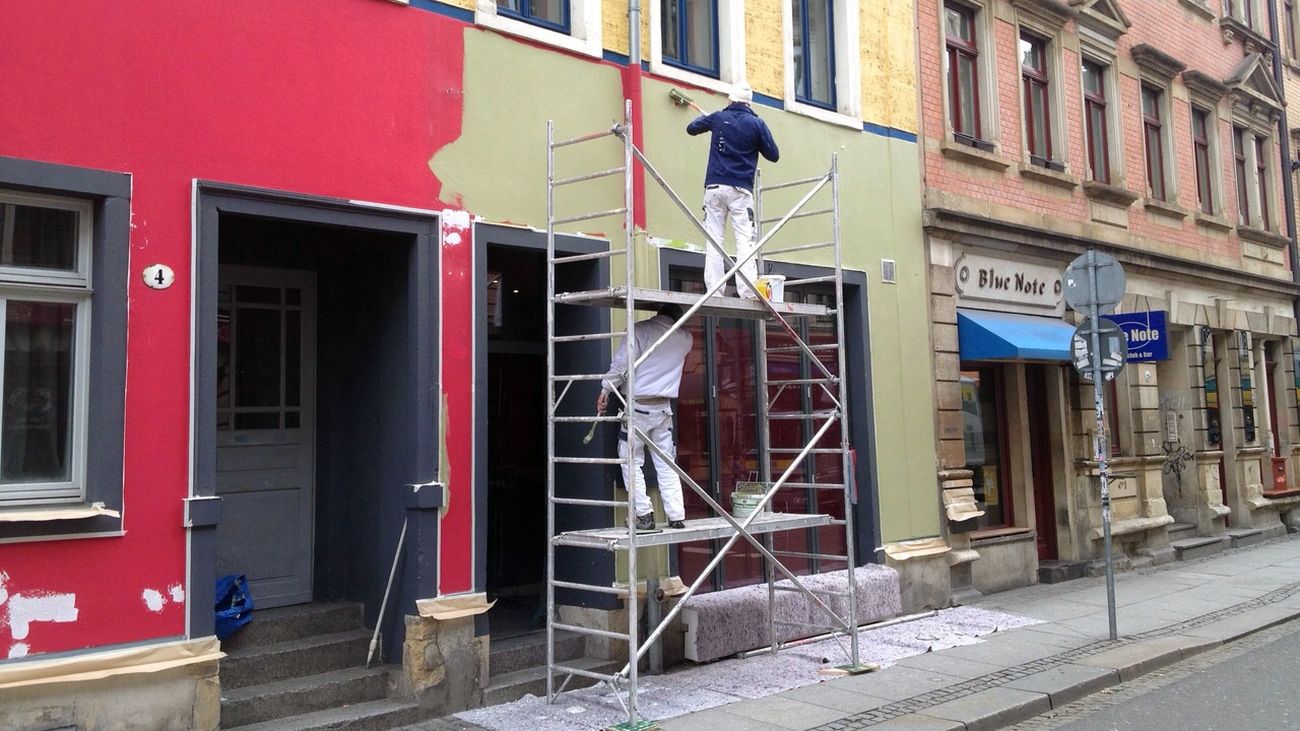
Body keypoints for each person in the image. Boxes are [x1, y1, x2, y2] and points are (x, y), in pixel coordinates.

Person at [596, 303, 693, 530]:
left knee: (630, 460)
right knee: (666, 462)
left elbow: (621, 365)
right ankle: (676, 515)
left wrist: (605, 389)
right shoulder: (686, 338)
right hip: (663, 409)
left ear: (658, 313)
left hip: (638, 406)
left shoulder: (640, 330)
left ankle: (644, 515)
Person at [686, 82, 780, 299]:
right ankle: (747, 291)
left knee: (714, 238)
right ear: (749, 103)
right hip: (740, 190)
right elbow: (773, 154)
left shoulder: (719, 118)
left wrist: (712, 121)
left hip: (715, 188)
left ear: (730, 100)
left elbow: (691, 128)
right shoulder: (757, 124)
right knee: (744, 240)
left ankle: (714, 291)